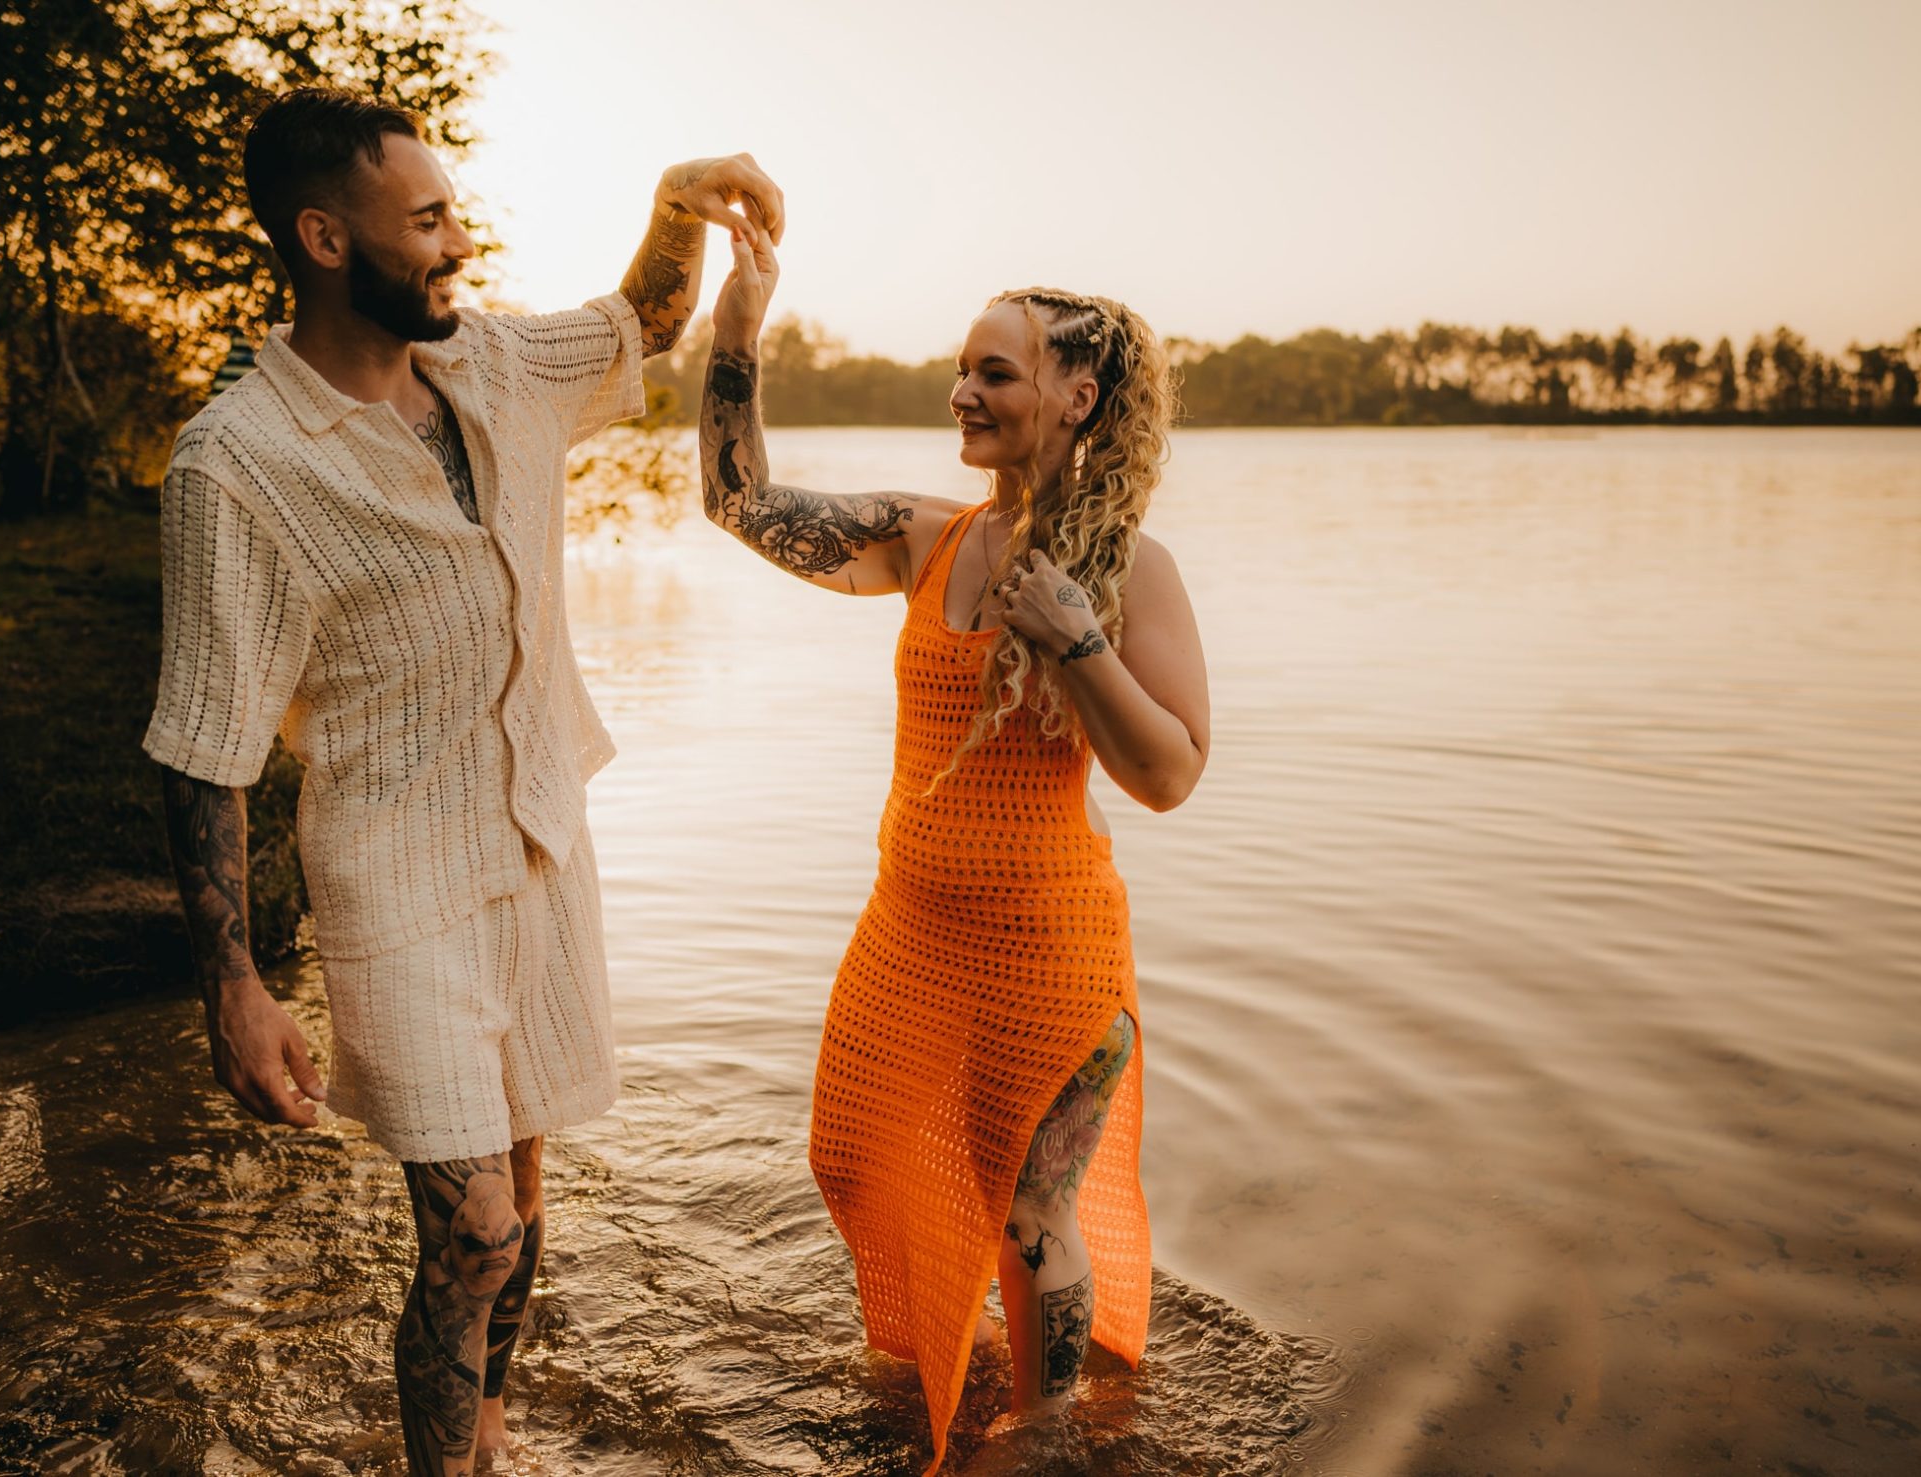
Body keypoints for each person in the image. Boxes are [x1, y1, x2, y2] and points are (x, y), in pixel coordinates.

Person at [142, 87, 782, 1475]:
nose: (456, 243)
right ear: (325, 237)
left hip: (543, 840)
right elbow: (205, 743)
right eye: (426, 220)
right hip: (395, 884)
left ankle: (488, 1435)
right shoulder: (237, 466)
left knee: (527, 1191)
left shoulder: (493, 368)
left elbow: (642, 321)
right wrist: (236, 987)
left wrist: (679, 203)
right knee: (475, 1231)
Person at [697, 231, 1208, 1472]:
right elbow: (736, 503)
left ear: (1077, 400)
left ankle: (1044, 1432)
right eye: (962, 369)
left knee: (1036, 1208)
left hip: (1048, 948)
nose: (962, 394)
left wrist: (1079, 643)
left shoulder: (1135, 573)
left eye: (995, 374)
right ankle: (936, 1355)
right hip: (908, 933)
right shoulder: (928, 539)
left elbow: (1170, 774)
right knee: (848, 1144)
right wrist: (736, 336)